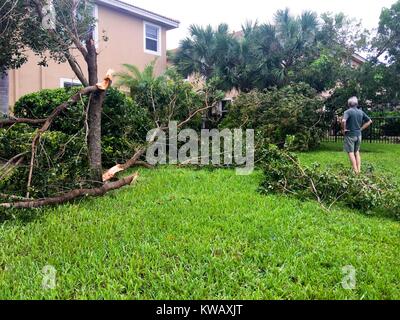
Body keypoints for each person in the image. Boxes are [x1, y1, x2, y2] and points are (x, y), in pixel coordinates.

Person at [342, 97, 373, 174]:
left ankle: (355, 171)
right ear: (357, 104)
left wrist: (344, 129)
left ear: (349, 104)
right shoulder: (360, 112)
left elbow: (343, 121)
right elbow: (369, 121)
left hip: (350, 135)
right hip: (359, 135)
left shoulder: (347, 112)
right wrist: (361, 129)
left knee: (351, 152)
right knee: (357, 151)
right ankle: (359, 170)